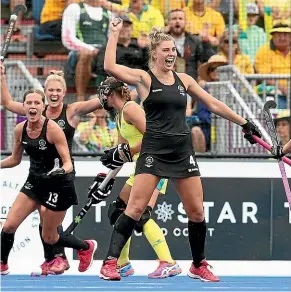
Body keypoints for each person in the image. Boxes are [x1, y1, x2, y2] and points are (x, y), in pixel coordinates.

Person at [98, 18, 262, 282]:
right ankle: (110, 263)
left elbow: (214, 104)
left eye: (173, 49)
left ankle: (198, 265)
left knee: (196, 211)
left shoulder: (184, 79)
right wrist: (114, 33)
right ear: (154, 54)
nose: (171, 53)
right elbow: (109, 66)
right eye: (165, 49)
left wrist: (245, 122)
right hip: (153, 151)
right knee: (135, 208)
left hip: (181, 151)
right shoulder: (143, 79)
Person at [0, 67, 103, 274]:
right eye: (50, 90)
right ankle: (5, 264)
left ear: (64, 93)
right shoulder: (32, 115)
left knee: (50, 232)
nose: (54, 94)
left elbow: (100, 102)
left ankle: (70, 252)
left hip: (58, 180)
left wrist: (115, 87)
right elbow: (9, 104)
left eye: (58, 90)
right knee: (10, 225)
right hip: (36, 179)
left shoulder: (65, 116)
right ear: (44, 93)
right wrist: (2, 77)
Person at [97, 77, 181, 279]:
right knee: (118, 211)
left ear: (110, 93)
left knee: (141, 216)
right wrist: (106, 180)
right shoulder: (118, 116)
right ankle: (123, 264)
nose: (100, 97)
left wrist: (125, 150)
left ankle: (168, 263)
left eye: (102, 92)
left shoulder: (130, 108)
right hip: (141, 168)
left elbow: (153, 136)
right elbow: (122, 154)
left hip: (156, 165)